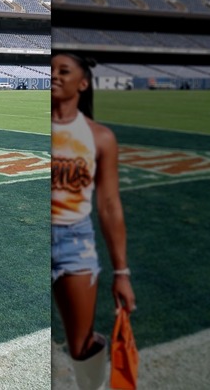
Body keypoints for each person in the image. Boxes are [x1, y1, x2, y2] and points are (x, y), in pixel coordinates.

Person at [51, 52, 136, 390]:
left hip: (76, 241)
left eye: (64, 71)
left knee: (81, 343)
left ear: (83, 83)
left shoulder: (100, 137)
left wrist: (122, 272)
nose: (55, 75)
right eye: (51, 69)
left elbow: (110, 205)